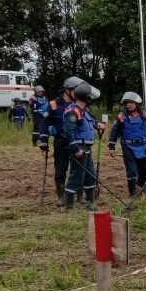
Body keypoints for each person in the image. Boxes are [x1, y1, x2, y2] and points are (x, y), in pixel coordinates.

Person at [39, 77, 83, 206]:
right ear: (67, 90)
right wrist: (44, 140)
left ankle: (79, 195)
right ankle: (60, 196)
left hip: (76, 142)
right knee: (60, 170)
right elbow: (45, 123)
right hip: (60, 141)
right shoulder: (53, 104)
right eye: (76, 90)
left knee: (78, 169)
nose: (78, 93)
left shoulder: (80, 104)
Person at [62, 81, 106, 213]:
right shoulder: (73, 111)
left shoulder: (84, 111)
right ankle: (69, 206)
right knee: (76, 176)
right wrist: (76, 149)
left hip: (87, 148)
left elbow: (92, 122)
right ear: (85, 98)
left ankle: (90, 202)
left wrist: (98, 125)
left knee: (90, 175)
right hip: (79, 148)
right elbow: (68, 132)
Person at [108, 91, 146, 197]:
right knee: (131, 170)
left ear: (137, 104)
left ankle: (140, 185)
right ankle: (132, 193)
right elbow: (114, 132)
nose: (129, 104)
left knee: (145, 170)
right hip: (128, 147)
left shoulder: (144, 115)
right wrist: (111, 146)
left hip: (143, 146)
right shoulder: (121, 116)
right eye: (127, 103)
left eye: (131, 102)